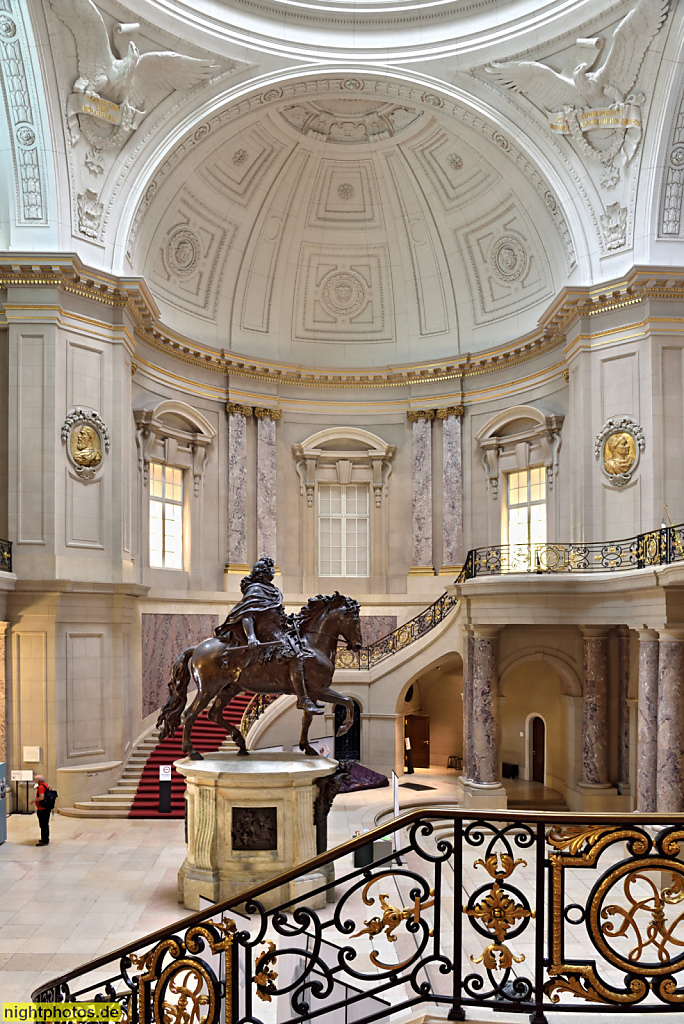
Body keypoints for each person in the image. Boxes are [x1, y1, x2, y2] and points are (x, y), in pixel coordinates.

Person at [215, 556, 323, 715]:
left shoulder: (271, 590)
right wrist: (251, 636)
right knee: (296, 656)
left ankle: (309, 692)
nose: (273, 571)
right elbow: (247, 615)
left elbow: (275, 613)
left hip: (278, 629)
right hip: (266, 633)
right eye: (271, 569)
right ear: (263, 573)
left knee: (303, 647)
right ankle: (302, 699)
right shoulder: (256, 590)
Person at [31, 775, 51, 846]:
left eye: (35, 779)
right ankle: (45, 838)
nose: (34, 781)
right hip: (46, 808)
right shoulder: (45, 785)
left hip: (42, 809)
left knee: (43, 825)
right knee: (45, 824)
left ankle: (44, 840)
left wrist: (34, 800)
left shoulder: (41, 787)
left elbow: (41, 797)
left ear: (39, 781)